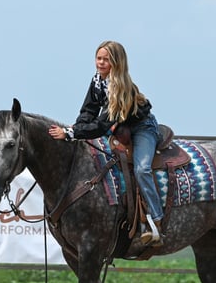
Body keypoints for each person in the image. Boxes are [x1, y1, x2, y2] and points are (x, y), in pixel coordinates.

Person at [48, 40, 164, 246]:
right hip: (121, 128)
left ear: (116, 63)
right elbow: (88, 112)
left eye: (106, 59)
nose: (100, 63)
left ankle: (156, 221)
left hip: (142, 128)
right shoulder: (97, 81)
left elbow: (102, 125)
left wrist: (69, 133)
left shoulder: (121, 88)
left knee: (142, 169)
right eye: (98, 58)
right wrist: (76, 129)